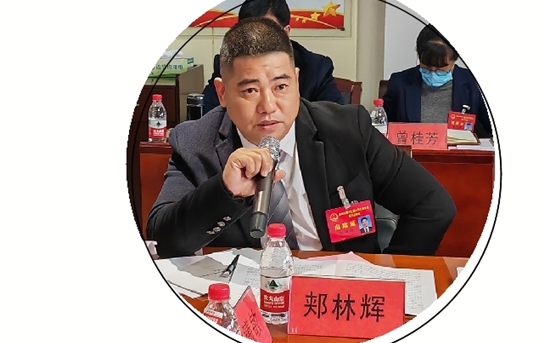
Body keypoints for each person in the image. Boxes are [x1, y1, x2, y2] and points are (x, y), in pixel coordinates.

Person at [147, 17, 456, 258]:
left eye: (281, 87)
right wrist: (225, 191)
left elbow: (433, 205)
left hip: (337, 293)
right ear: (222, 93)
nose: (268, 106)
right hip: (249, 295)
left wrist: (389, 271)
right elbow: (162, 239)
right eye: (250, 90)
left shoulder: (348, 129)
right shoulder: (195, 142)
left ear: (296, 81)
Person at [201, 0, 344, 114]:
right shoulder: (228, 64)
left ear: (286, 32)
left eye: (280, 86)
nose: (259, 40)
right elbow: (207, 117)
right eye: (250, 33)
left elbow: (334, 120)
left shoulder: (316, 68)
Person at [383, 24, 492, 138]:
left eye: (440, 68)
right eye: (426, 66)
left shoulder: (475, 84)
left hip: (459, 149)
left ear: (455, 59)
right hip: (412, 148)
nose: (432, 71)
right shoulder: (399, 83)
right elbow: (382, 128)